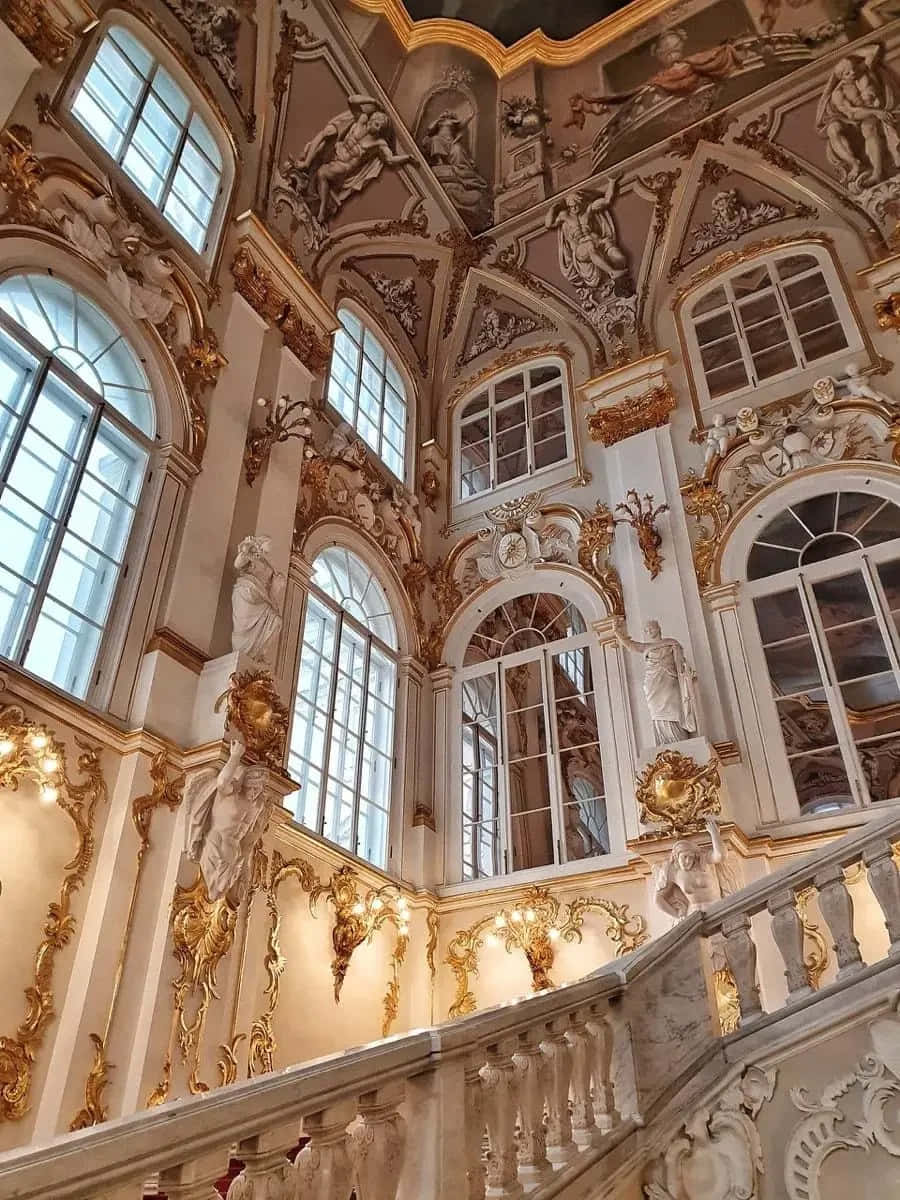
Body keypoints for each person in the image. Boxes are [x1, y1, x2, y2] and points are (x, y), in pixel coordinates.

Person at [613, 617, 699, 744]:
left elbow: (680, 664)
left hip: (670, 681)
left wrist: (686, 675)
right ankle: (665, 743)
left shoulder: (671, 643)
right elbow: (630, 645)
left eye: (651, 628)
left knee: (674, 709)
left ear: (658, 628)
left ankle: (679, 740)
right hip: (652, 685)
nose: (649, 631)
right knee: (656, 712)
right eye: (646, 630)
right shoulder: (646, 647)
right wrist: (618, 632)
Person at [654, 816, 725, 920]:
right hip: (693, 916)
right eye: (684, 857)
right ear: (677, 857)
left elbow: (720, 856)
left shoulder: (702, 861)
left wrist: (714, 834)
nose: (688, 861)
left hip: (716, 910)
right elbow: (658, 900)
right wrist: (677, 916)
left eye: (691, 857)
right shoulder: (673, 871)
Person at [231, 535, 284, 664]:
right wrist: (246, 550)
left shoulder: (267, 562)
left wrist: (278, 584)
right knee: (244, 626)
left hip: (262, 595)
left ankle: (257, 653)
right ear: (262, 543)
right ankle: (243, 650)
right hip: (248, 591)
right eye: (268, 543)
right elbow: (237, 564)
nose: (270, 547)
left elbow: (271, 586)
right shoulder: (251, 553)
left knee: (276, 620)